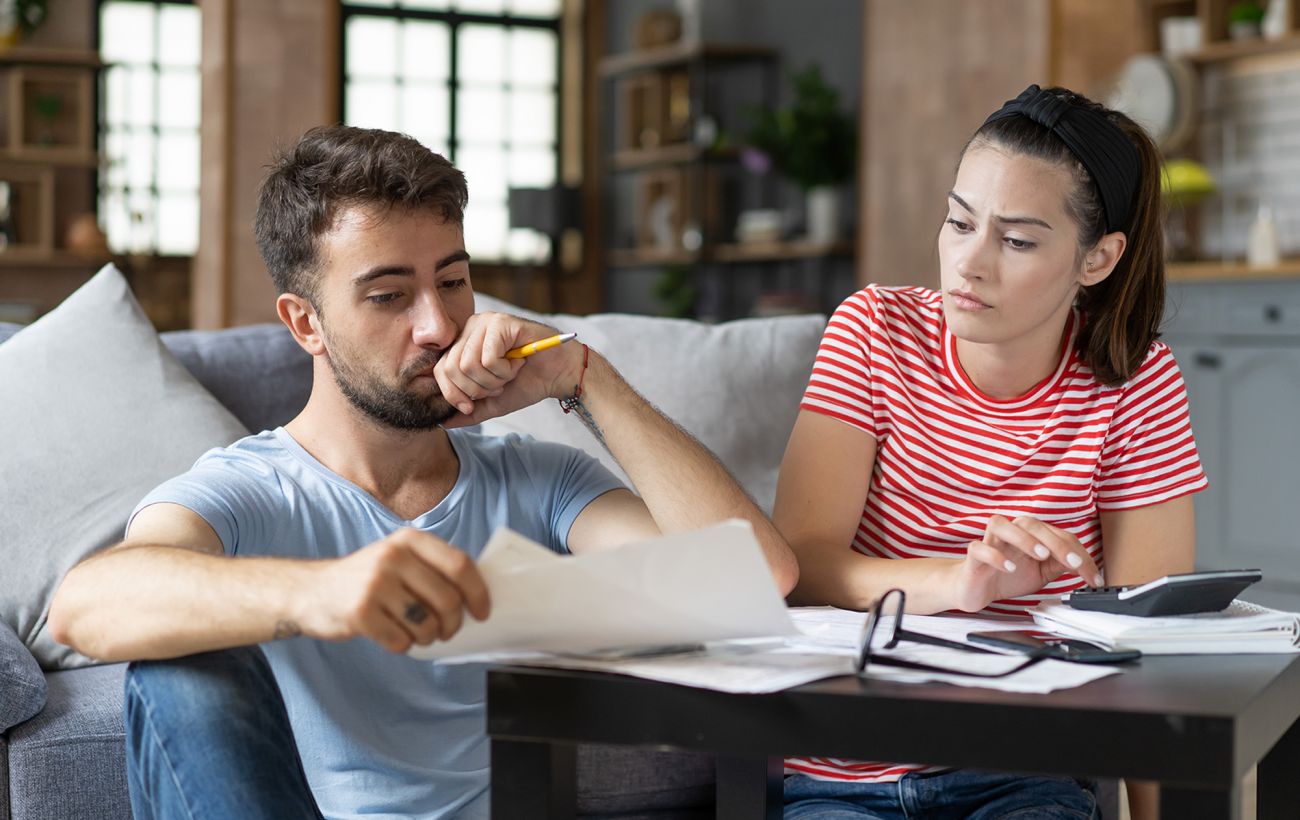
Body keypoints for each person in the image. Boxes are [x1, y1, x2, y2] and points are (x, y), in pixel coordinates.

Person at [47, 124, 798, 820]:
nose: (439, 326)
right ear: (304, 322)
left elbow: (756, 576)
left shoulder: (539, 483)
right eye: (389, 296)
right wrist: (324, 592)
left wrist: (585, 376)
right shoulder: (249, 489)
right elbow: (86, 606)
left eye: (451, 281)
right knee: (178, 669)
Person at [773, 85, 1207, 819]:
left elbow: (1147, 641)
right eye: (958, 221)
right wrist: (957, 581)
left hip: (1028, 766)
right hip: (847, 767)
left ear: (1097, 260)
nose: (968, 265)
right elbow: (800, 566)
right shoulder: (874, 331)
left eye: (1016, 240)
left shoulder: (1136, 380)